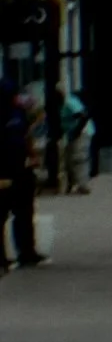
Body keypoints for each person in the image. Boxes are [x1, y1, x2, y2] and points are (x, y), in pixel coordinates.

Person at [0, 79, 40, 268]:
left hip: (21, 169)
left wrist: (31, 155)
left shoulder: (18, 112)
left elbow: (26, 134)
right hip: (4, 171)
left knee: (24, 212)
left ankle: (26, 252)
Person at [59, 90, 92, 194]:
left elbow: (84, 115)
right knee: (69, 160)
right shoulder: (62, 105)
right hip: (71, 134)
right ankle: (72, 183)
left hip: (81, 132)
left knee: (79, 158)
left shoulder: (70, 103)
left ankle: (83, 185)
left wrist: (77, 131)